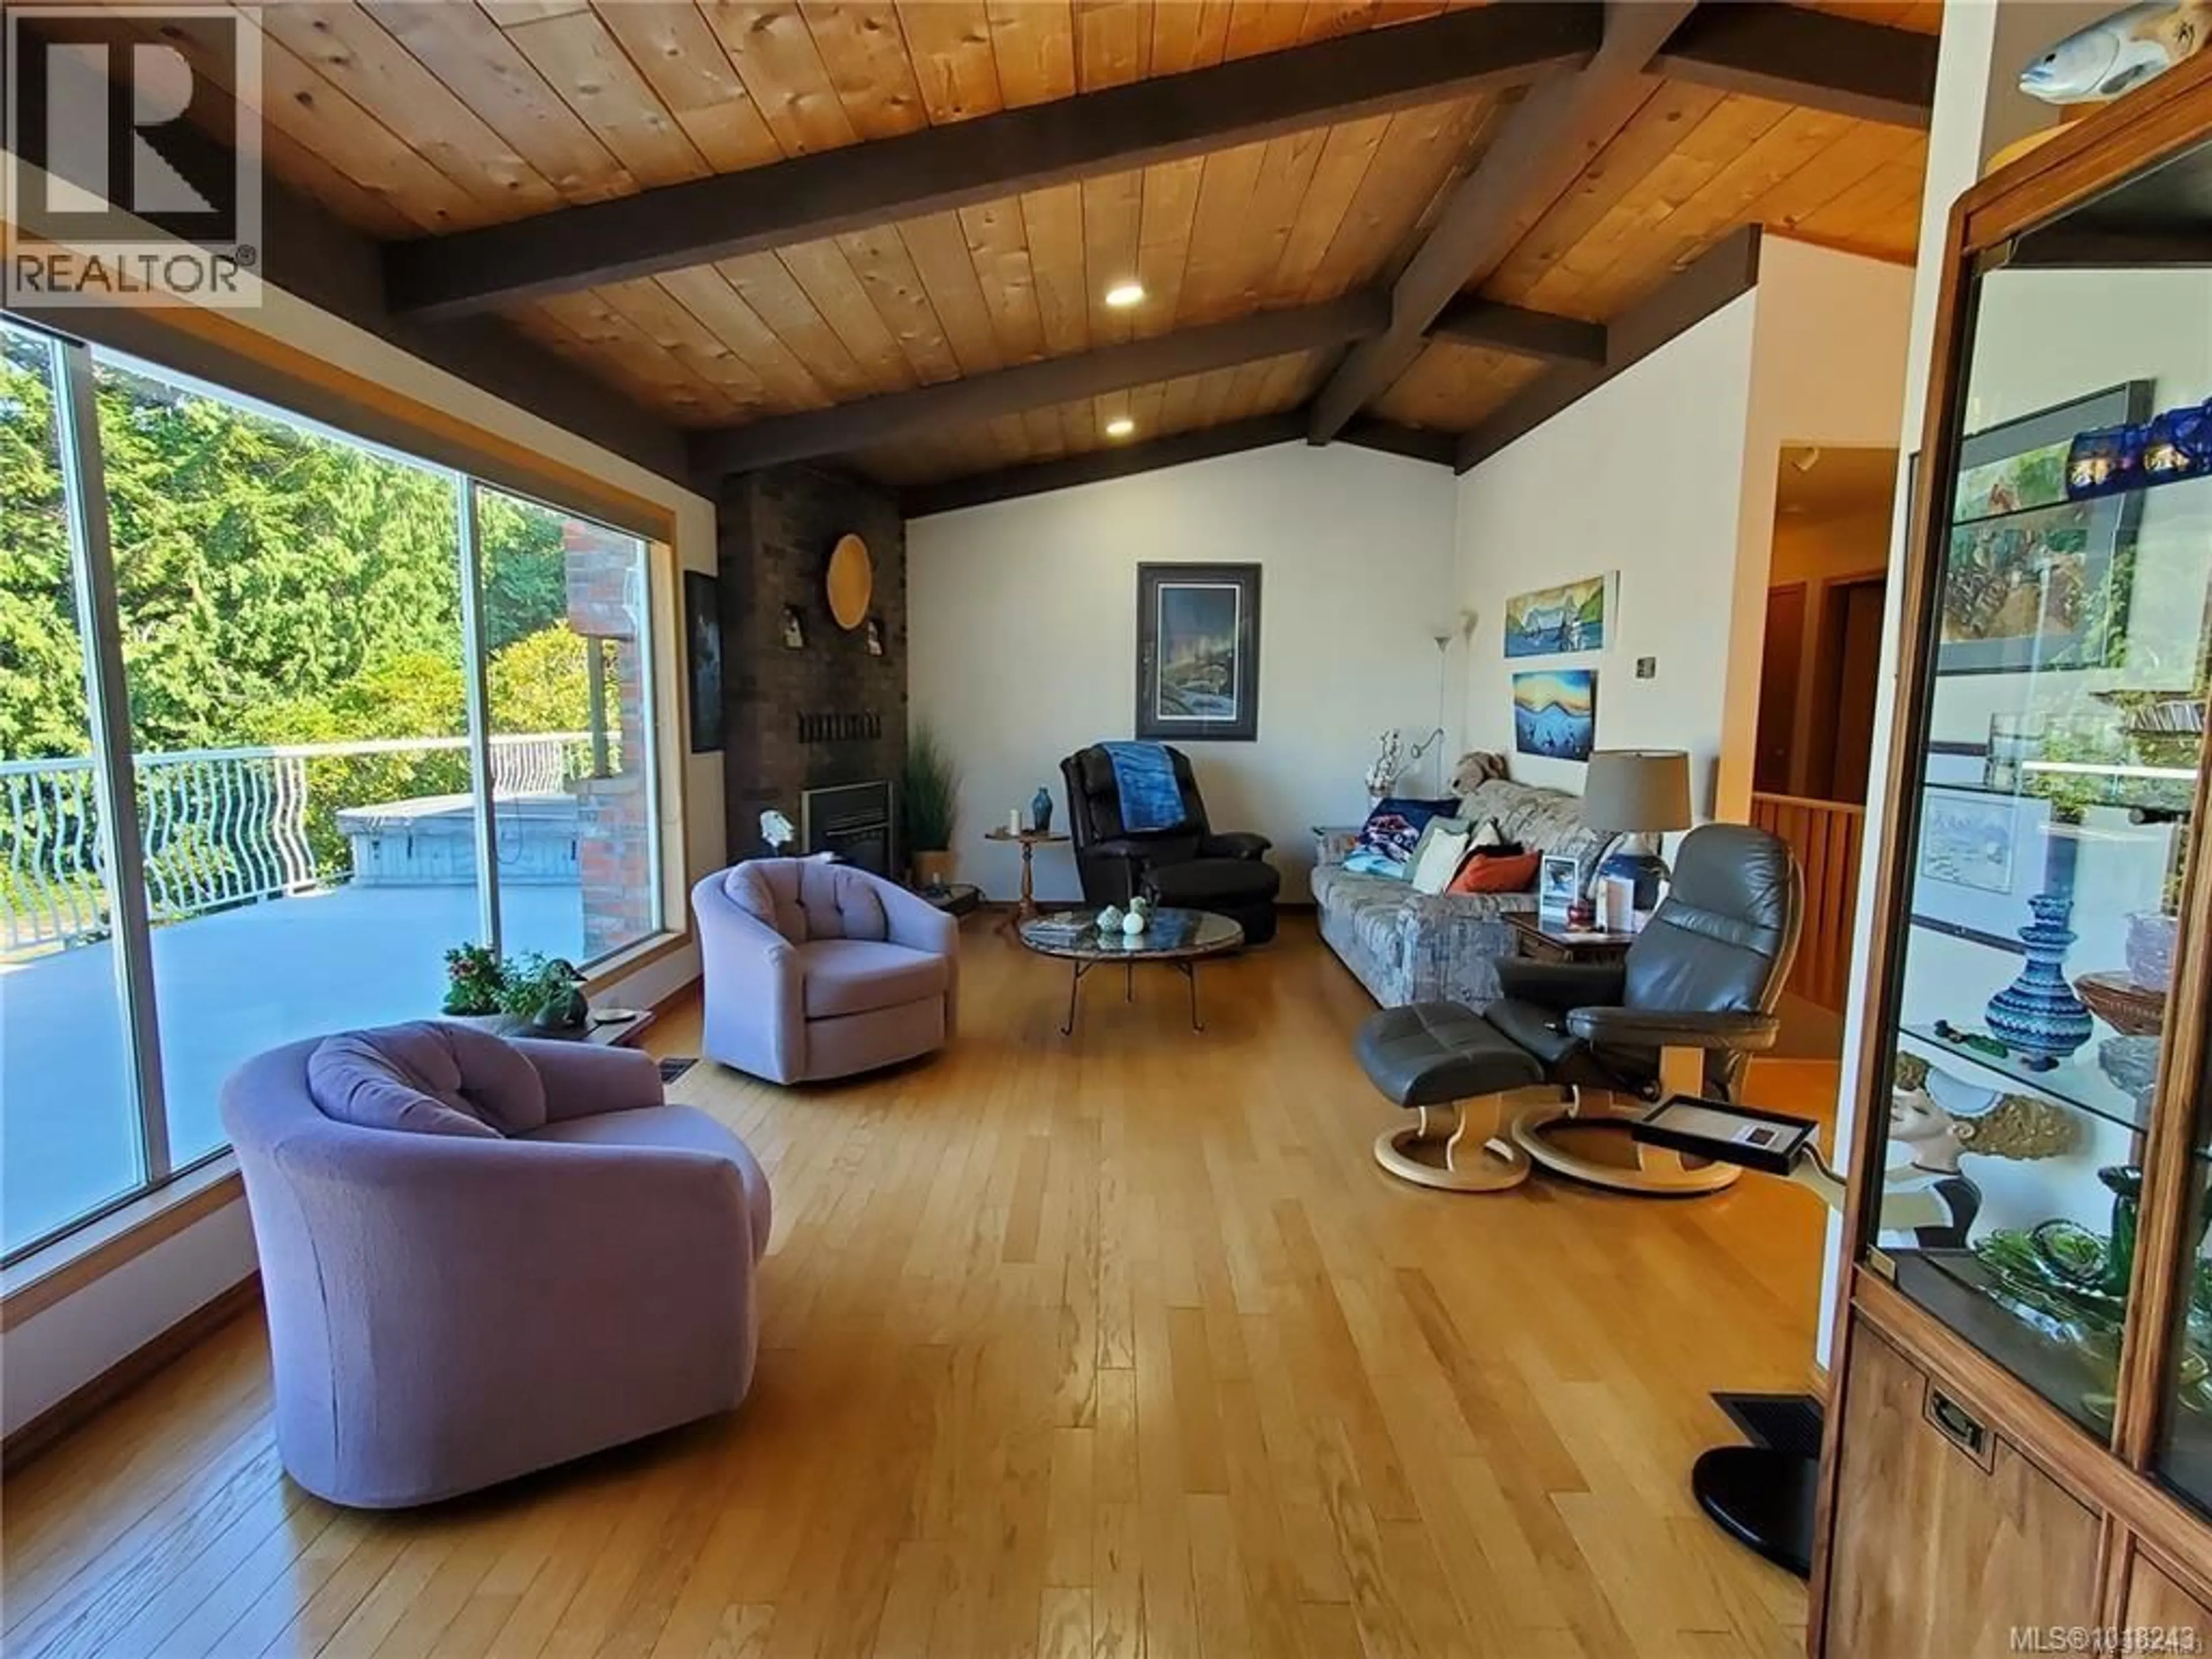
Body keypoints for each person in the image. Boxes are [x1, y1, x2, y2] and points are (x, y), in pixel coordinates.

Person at [1883, 1052, 2078, 1249]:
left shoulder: (1956, 1193)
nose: (1894, 1104)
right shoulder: (1904, 1174)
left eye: (1918, 1110)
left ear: (1961, 1130)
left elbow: (1874, 1214)